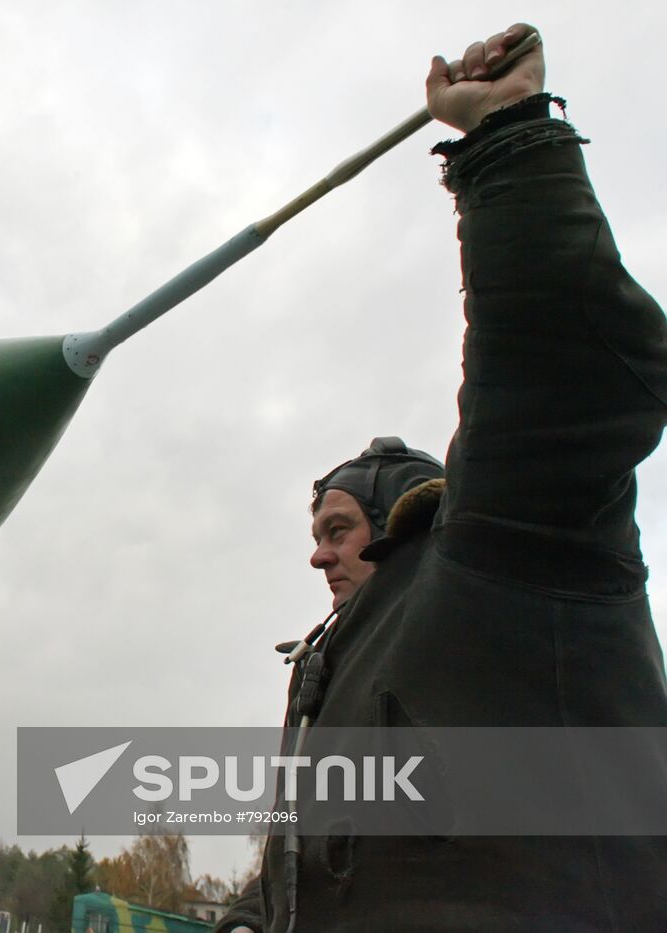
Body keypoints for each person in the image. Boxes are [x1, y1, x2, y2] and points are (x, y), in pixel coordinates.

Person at [218, 22, 667, 932]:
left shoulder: (513, 555)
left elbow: (566, 370)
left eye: (338, 528)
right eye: (315, 535)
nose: (318, 557)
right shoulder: (338, 665)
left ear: (399, 524)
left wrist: (507, 140)